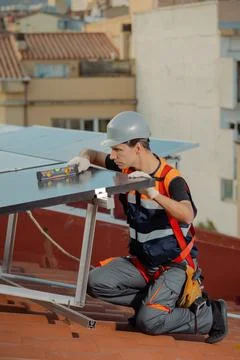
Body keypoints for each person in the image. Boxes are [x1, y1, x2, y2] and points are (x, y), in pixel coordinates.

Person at [68, 111, 228, 343]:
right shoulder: (125, 166)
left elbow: (187, 214)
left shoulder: (171, 179)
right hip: (144, 263)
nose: (113, 155)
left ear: (138, 148)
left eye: (118, 150)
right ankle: (151, 302)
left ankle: (208, 315)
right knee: (93, 282)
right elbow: (92, 154)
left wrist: (153, 193)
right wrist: (82, 158)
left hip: (174, 267)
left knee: (149, 322)